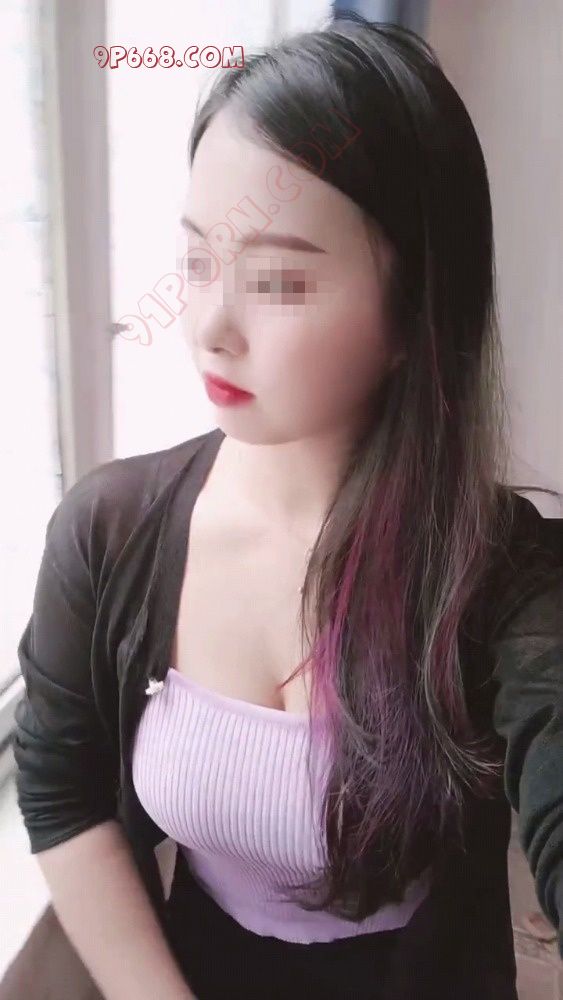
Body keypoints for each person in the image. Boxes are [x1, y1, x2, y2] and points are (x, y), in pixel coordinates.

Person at [12, 15, 563, 1000]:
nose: (210, 326)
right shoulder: (107, 533)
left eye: (276, 280)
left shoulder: (503, 575)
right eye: (195, 262)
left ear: (412, 313)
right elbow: (62, 786)